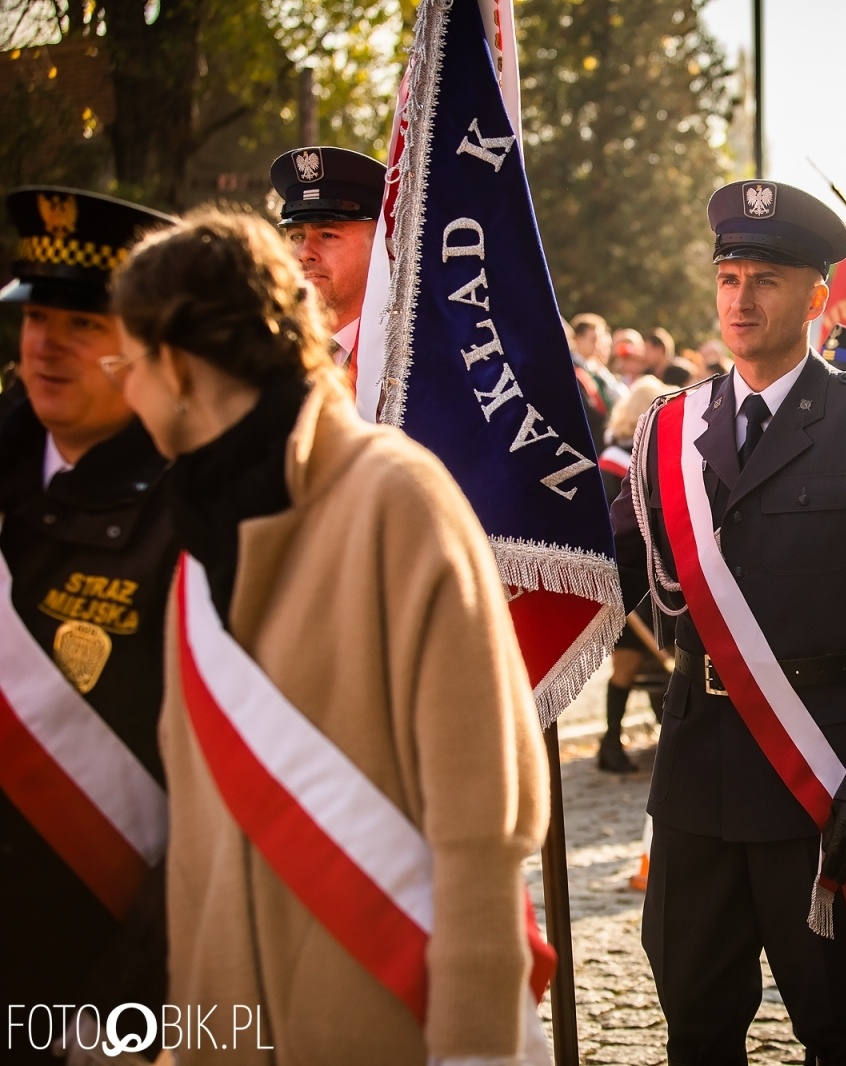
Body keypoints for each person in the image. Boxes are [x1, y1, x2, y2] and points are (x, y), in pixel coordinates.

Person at [109, 206, 552, 1064]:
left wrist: (475, 1050)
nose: (123, 387)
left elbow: (483, 826)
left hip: (388, 1026)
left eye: (126, 362)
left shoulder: (397, 499)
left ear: (172, 364)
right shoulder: (193, 527)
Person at [611, 179, 846, 1063]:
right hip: (695, 777)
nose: (741, 298)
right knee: (696, 1022)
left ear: (816, 296)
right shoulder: (671, 430)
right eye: (729, 277)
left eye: (765, 279)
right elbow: (608, 566)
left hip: (824, 776)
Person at [0, 187, 175, 1064]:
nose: (45, 346)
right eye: (36, 316)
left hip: (103, 982)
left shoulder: (204, 510)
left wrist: (124, 1018)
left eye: (82, 323)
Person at [597, 374, 674, 773]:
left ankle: (660, 740)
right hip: (628, 578)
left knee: (650, 667)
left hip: (655, 582)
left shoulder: (651, 453)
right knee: (626, 666)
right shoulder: (613, 461)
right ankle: (610, 743)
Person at [269, 145, 386, 366]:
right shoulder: (271, 353)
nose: (304, 253)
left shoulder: (409, 358)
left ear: (380, 243)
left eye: (327, 235)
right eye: (296, 236)